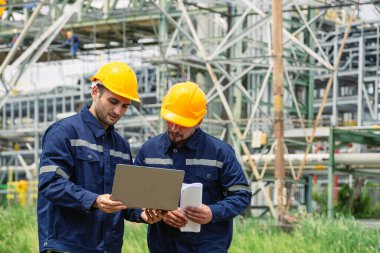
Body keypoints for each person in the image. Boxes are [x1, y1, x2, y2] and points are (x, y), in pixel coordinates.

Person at [37, 62, 163, 253]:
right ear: (95, 92)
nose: (118, 111)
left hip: (108, 247)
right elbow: (50, 183)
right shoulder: (64, 132)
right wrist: (94, 200)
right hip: (68, 246)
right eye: (113, 102)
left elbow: (123, 200)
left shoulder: (121, 146)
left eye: (125, 106)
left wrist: (142, 214)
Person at [134, 81, 252, 253]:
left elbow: (242, 195)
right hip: (163, 247)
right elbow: (134, 197)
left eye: (182, 124)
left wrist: (212, 212)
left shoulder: (220, 153)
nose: (174, 128)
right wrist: (159, 213)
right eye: (170, 121)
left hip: (208, 247)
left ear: (199, 121)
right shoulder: (149, 151)